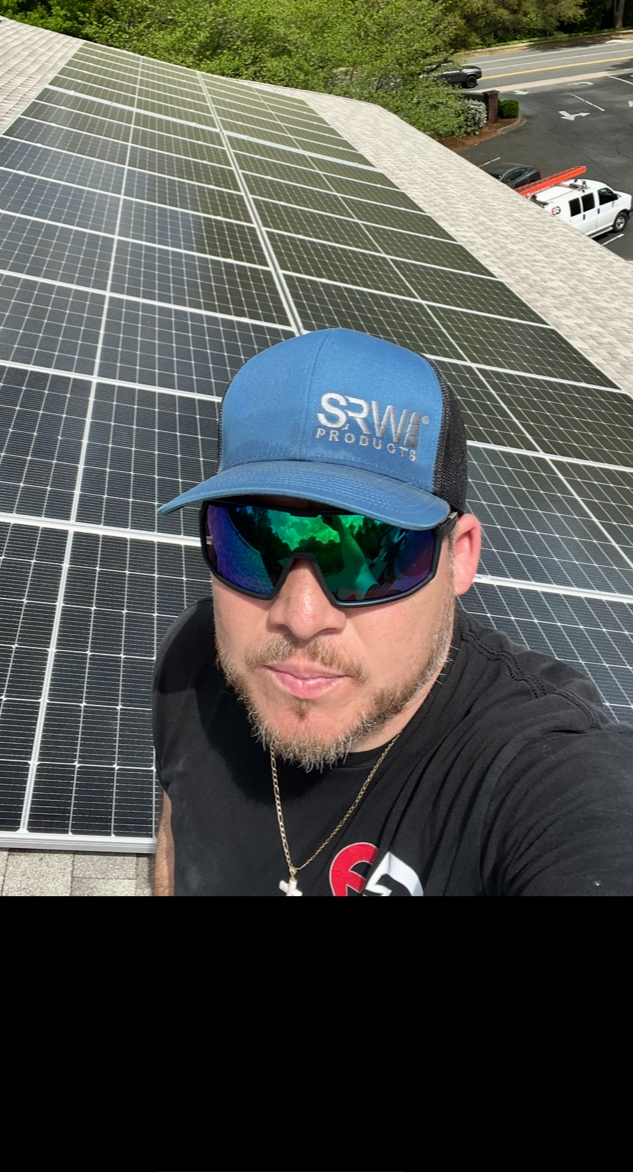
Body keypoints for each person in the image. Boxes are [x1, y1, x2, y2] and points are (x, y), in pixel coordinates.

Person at [153, 328, 633, 896]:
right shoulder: (193, 664)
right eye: (253, 543)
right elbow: (176, 835)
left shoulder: (544, 774)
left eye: (373, 555)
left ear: (460, 558)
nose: (301, 616)